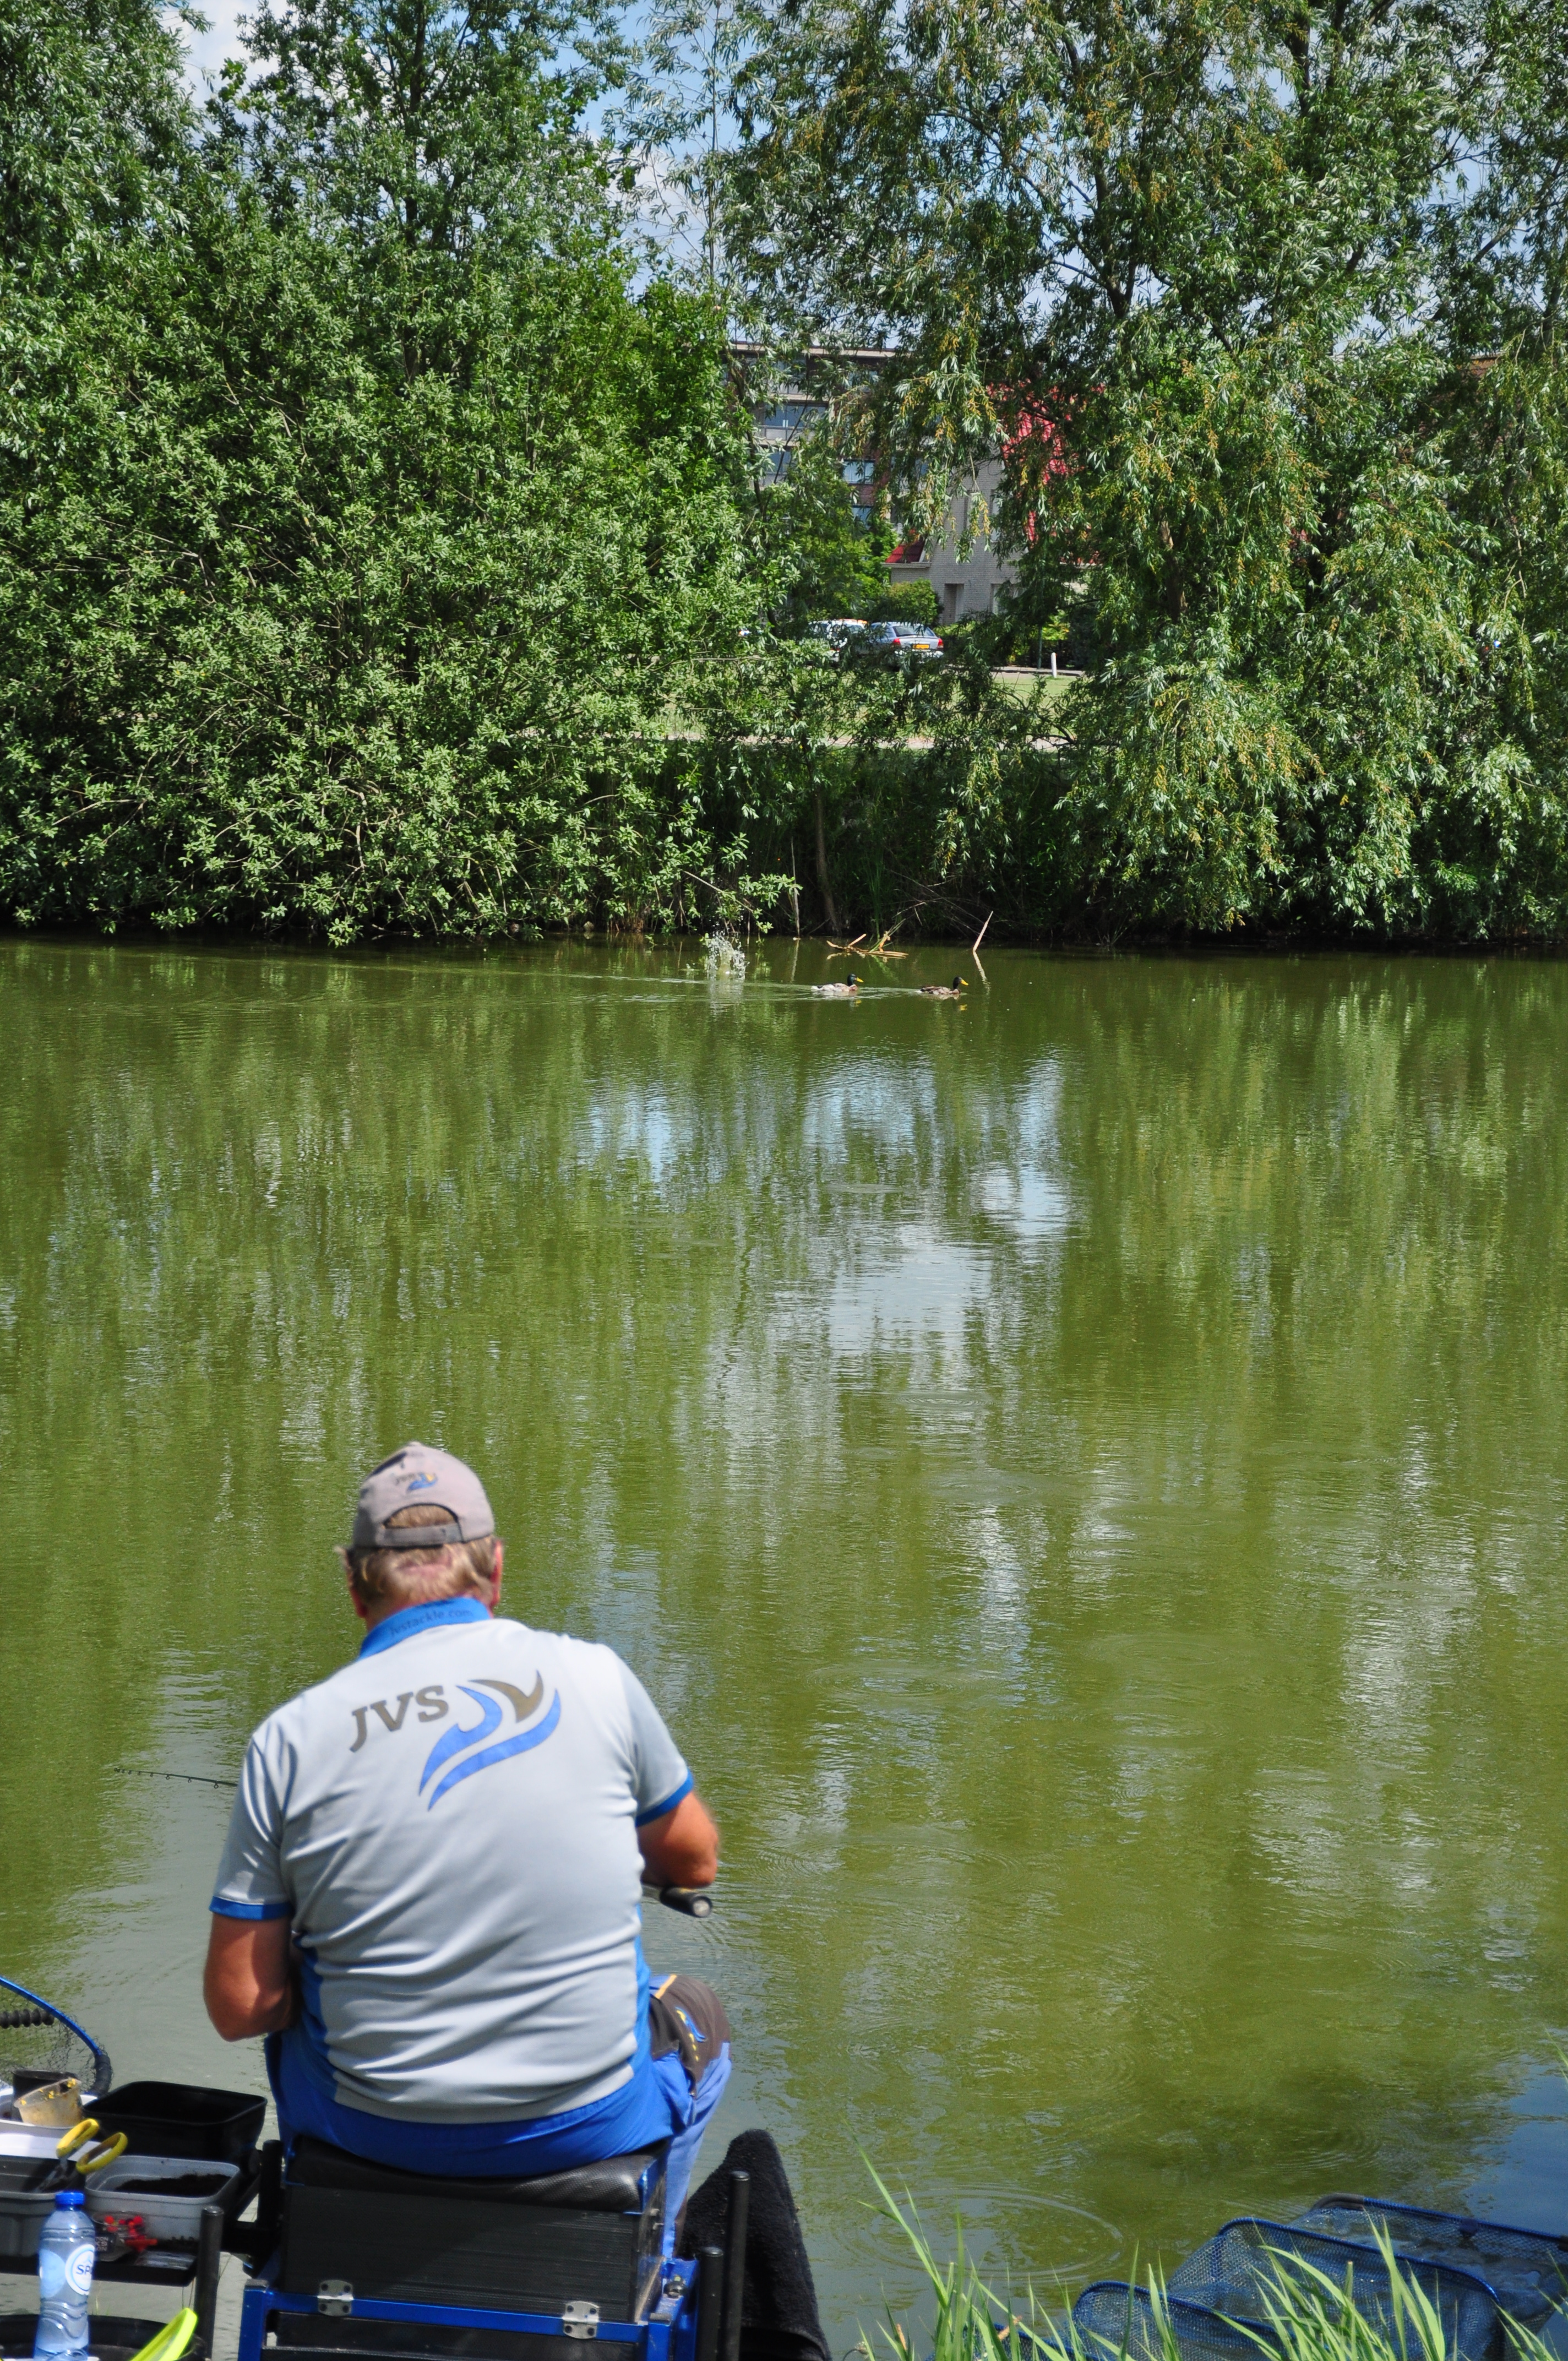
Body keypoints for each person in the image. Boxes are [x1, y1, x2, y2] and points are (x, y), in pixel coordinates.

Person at [204, 1441, 729, 2239]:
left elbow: (242, 2006)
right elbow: (694, 1860)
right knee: (700, 2020)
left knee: (303, 2018)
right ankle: (639, 2265)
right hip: (586, 2128)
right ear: (495, 1570)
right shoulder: (596, 1677)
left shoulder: (291, 1737)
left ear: (352, 1583)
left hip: (372, 2135)